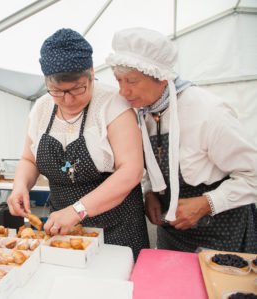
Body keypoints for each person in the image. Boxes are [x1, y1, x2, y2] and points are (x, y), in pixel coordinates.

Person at [106, 27, 257, 252]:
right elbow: (153, 162)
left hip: (223, 231)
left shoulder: (208, 112)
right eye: (119, 81)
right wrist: (150, 192)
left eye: (131, 81)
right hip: (173, 232)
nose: (123, 92)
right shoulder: (143, 113)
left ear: (161, 79)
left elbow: (252, 174)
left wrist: (207, 203)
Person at [7, 28, 150, 259]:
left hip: (117, 229)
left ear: (92, 73)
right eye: (57, 91)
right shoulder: (42, 108)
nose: (68, 100)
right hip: (62, 227)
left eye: (77, 89)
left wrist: (77, 210)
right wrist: (20, 186)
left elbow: (131, 171)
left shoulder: (113, 104)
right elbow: (28, 159)